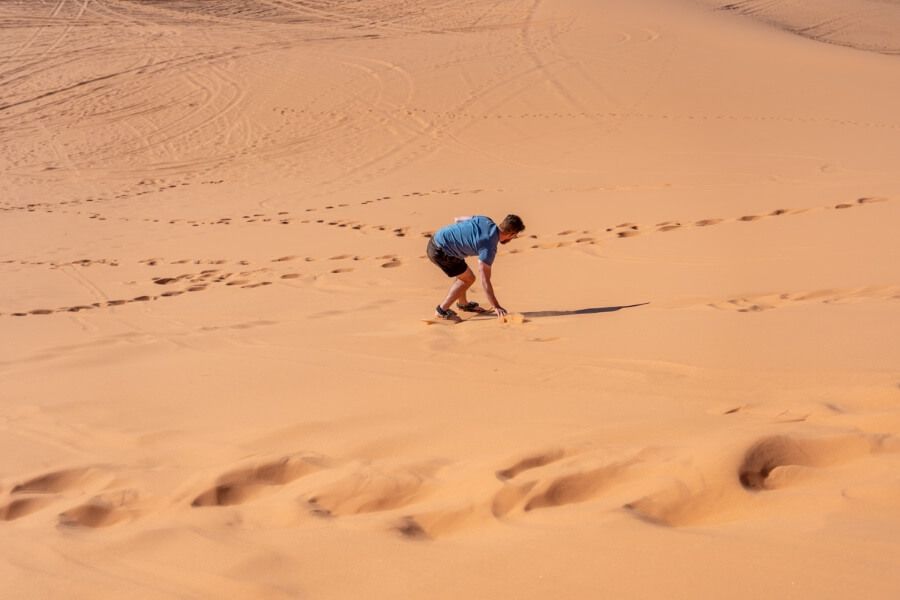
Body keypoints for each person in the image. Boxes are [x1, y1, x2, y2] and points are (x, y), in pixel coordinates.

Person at [426, 214, 525, 320]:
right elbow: (485, 280)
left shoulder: (485, 220)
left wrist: (461, 241)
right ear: (511, 234)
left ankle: (463, 304)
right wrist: (496, 306)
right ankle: (441, 310)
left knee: (463, 272)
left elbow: (457, 219)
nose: (514, 238)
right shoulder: (489, 247)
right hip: (440, 252)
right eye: (515, 236)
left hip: (437, 237)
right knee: (468, 279)